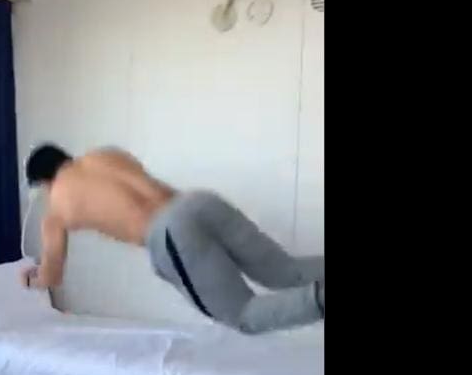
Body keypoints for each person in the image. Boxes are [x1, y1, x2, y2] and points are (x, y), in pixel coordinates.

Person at [20, 143, 324, 334]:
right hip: (198, 201)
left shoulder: (56, 208)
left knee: (243, 314)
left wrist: (33, 278)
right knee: (286, 271)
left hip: (170, 232)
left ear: (43, 182)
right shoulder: (105, 155)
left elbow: (53, 275)